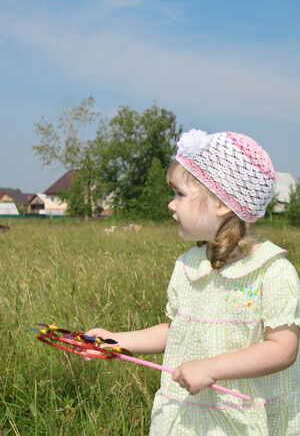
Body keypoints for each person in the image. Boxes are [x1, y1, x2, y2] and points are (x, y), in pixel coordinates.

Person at [84, 129, 300, 435]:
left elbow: (283, 349)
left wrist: (211, 368)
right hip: (193, 417)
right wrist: (116, 340)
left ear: (222, 203)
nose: (171, 205)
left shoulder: (272, 271)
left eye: (180, 194)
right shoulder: (188, 266)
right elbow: (178, 331)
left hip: (243, 418)